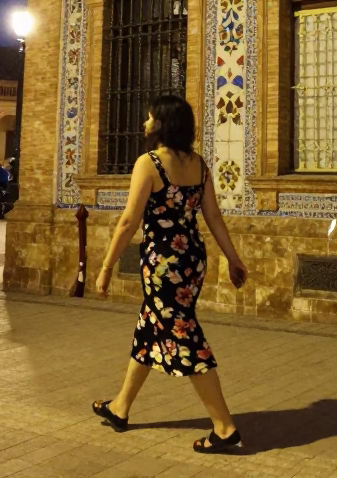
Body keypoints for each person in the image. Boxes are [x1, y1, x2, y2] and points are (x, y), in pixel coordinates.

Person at [93, 94, 249, 454]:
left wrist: (105, 266)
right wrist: (233, 258)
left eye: (149, 118)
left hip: (163, 262)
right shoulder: (200, 165)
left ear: (161, 124)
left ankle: (225, 428)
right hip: (192, 260)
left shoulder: (148, 163)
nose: (144, 124)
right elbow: (212, 217)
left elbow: (130, 220)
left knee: (184, 335)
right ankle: (121, 407)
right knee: (151, 328)